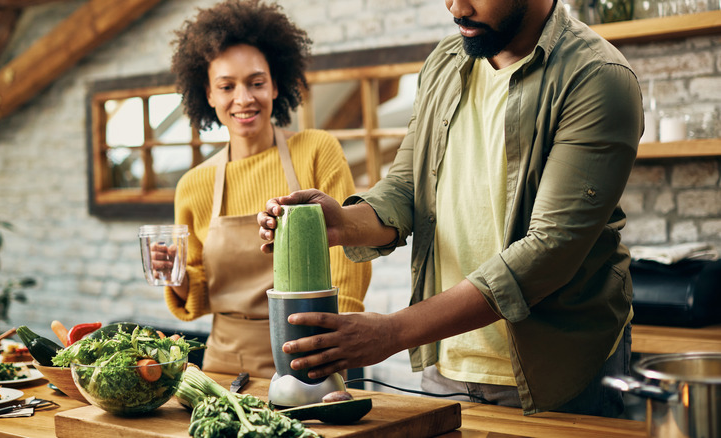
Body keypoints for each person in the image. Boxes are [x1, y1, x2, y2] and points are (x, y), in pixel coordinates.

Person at [258, 0, 642, 416]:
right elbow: (409, 187)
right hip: (448, 368)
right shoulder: (445, 61)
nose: (455, 7)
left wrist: (391, 332)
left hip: (558, 372)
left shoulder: (597, 77)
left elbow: (549, 250)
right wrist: (345, 223)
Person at [157, 0, 371, 379]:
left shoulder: (317, 151)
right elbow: (201, 294)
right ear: (208, 94)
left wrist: (337, 337)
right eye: (227, 86)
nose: (243, 99)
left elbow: (350, 254)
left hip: (313, 352)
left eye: (256, 83)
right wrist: (175, 275)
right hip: (224, 366)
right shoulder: (194, 185)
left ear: (275, 85)